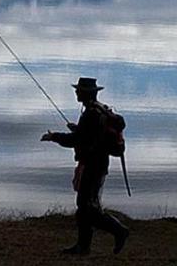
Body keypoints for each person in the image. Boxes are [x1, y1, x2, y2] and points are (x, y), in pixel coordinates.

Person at [41, 77, 130, 255]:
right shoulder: (99, 110)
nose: (76, 92)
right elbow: (89, 136)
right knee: (85, 207)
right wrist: (78, 129)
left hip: (93, 166)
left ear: (85, 93)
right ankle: (83, 247)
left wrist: (54, 137)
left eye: (79, 90)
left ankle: (118, 230)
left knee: (88, 208)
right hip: (97, 164)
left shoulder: (91, 114)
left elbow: (77, 140)